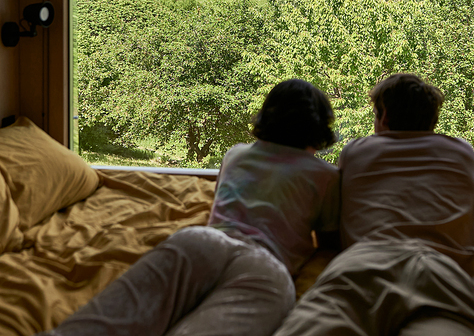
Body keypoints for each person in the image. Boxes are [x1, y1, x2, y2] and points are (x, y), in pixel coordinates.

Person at [40, 79, 340, 336]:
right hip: (265, 266)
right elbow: (329, 241)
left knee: (106, 321)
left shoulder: (235, 154)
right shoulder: (326, 177)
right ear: (319, 129)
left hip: (201, 241)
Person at [274, 73, 474, 336]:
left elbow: (336, 232)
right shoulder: (462, 152)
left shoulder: (356, 152)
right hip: (442, 271)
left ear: (386, 117)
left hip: (365, 263)